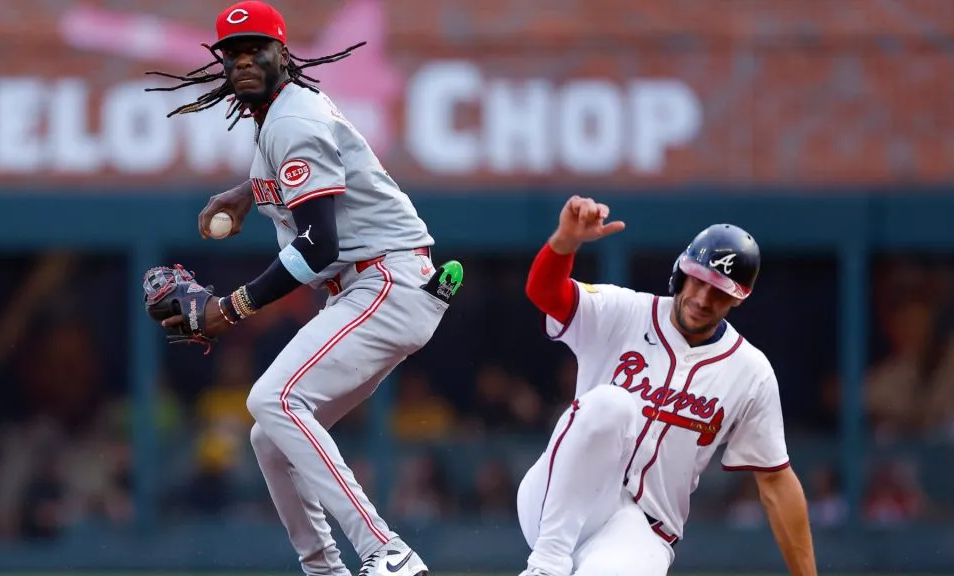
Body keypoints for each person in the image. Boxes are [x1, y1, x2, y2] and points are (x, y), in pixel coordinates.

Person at [145, 2, 463, 575]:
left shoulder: (291, 120)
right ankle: (323, 569)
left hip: (384, 281)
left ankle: (384, 550)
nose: (243, 61)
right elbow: (319, 168)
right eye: (232, 54)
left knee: (273, 399)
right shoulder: (285, 115)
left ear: (283, 54)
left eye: (256, 49)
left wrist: (228, 309)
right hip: (377, 286)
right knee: (270, 436)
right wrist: (249, 191)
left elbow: (319, 244)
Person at [517, 196, 817, 576]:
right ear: (681, 271)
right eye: (700, 280)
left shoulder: (750, 372)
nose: (704, 299)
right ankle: (544, 567)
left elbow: (775, 481)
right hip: (557, 501)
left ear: (738, 300)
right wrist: (564, 242)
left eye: (721, 291)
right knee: (612, 404)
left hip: (641, 532)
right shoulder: (623, 310)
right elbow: (545, 294)